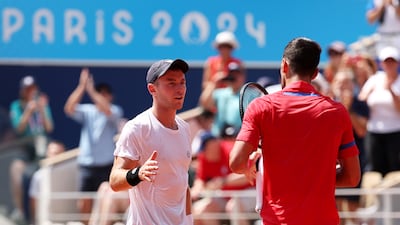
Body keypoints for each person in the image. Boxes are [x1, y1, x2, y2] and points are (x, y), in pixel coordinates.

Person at [229, 37, 361, 225]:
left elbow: (236, 163)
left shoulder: (260, 107)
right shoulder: (337, 112)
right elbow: (352, 177)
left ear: (284, 65)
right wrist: (315, 177)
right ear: (315, 73)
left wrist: (254, 168)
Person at [109, 59, 193, 225]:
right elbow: (114, 181)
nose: (179, 89)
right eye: (171, 83)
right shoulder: (137, 128)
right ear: (152, 89)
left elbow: (183, 184)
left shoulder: (185, 128)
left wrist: (189, 220)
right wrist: (138, 173)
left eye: (182, 83)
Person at [64, 68, 123, 224]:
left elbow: (107, 109)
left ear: (111, 96)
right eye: (99, 92)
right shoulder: (87, 111)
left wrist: (91, 90)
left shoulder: (115, 111)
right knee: (84, 203)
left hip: (106, 165)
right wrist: (81, 87)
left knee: (105, 199)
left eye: (105, 93)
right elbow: (69, 108)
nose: (102, 96)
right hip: (87, 165)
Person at [9, 75, 54, 223]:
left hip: (42, 146)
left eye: (32, 88)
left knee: (43, 174)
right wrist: (28, 111)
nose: (30, 92)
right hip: (26, 147)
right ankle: (20, 211)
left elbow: (49, 128)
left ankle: (41, 217)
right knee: (16, 168)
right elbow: (18, 129)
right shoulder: (16, 106)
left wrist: (41, 109)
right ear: (22, 91)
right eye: (27, 89)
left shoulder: (42, 104)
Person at [331, 69, 370, 225]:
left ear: (353, 85)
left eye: (346, 83)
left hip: (355, 161)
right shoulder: (325, 104)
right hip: (332, 161)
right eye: (339, 82)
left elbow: (362, 131)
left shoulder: (360, 104)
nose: (342, 86)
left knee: (353, 209)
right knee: (335, 209)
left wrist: (347, 110)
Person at [191, 132, 255, 225]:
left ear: (214, 144)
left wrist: (224, 181)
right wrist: (197, 188)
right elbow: (200, 179)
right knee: (201, 210)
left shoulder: (231, 151)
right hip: (226, 195)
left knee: (233, 207)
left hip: (250, 191)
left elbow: (248, 174)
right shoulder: (204, 157)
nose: (203, 153)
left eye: (205, 149)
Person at [358, 46, 400, 177]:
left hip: (396, 133)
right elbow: (361, 99)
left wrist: (391, 91)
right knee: (375, 171)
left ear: (397, 63)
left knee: (396, 171)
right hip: (374, 133)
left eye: (392, 61)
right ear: (381, 63)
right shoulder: (375, 79)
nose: (389, 64)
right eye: (386, 61)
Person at [199, 61, 246, 138]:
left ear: (243, 76)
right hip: (219, 137)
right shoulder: (220, 93)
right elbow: (204, 104)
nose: (234, 77)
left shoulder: (249, 94)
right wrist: (214, 83)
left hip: (239, 138)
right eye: (231, 74)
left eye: (237, 74)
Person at [28, 140, 66, 224]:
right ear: (47, 154)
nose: (55, 156)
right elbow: (33, 200)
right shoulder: (38, 176)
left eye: (59, 153)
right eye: (53, 153)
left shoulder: (72, 174)